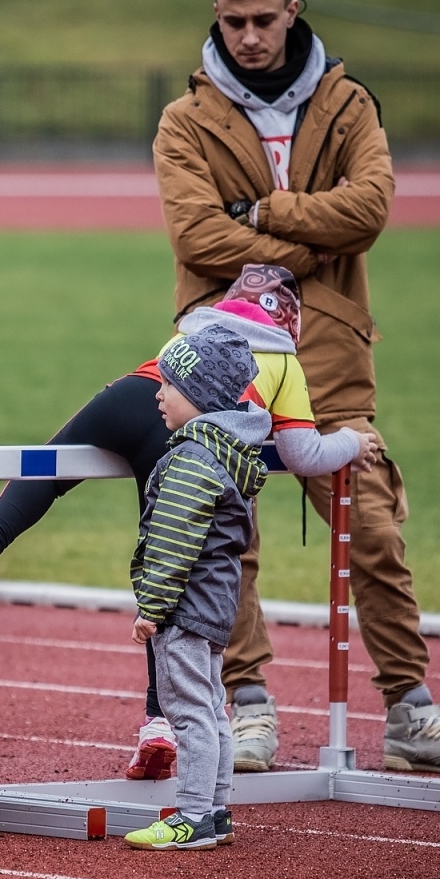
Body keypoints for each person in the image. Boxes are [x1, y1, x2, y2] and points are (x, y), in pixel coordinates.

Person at [153, 0, 440, 774]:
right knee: (225, 533)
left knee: (371, 528)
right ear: (216, 15)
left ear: (291, 12)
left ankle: (411, 710)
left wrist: (264, 214)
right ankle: (249, 707)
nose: (249, 37)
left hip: (332, 348)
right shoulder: (185, 119)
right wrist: (313, 242)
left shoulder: (347, 103)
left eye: (264, 20)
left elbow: (369, 210)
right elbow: (196, 236)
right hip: (217, 354)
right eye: (235, 21)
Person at [0, 264, 378, 778]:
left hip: (132, 392)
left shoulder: (195, 327)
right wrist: (351, 442)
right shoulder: (282, 359)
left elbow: (168, 384)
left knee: (49, 467)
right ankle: (158, 723)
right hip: (183, 430)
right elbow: (302, 453)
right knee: (170, 565)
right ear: (292, 323)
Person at [123, 326, 266, 851]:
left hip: (184, 608)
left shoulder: (192, 459)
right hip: (213, 604)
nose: (158, 395)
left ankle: (193, 815)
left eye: (169, 385)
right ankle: (216, 809)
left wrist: (152, 607)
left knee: (187, 712)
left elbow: (172, 541)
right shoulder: (225, 452)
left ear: (200, 395)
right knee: (209, 707)